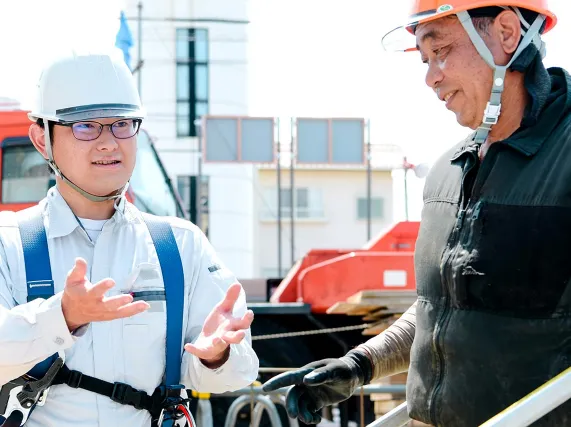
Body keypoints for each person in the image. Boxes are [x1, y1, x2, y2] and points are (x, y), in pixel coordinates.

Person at [263, 1, 571, 425]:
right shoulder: (447, 174)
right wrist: (359, 366)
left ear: (505, 33)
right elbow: (439, 309)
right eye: (425, 60)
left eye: (441, 51)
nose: (430, 78)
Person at [0, 50, 259, 427]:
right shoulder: (8, 244)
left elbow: (236, 374)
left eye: (122, 123)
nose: (109, 142)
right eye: (85, 126)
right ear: (43, 139)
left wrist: (215, 355)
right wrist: (62, 317)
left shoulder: (180, 246)